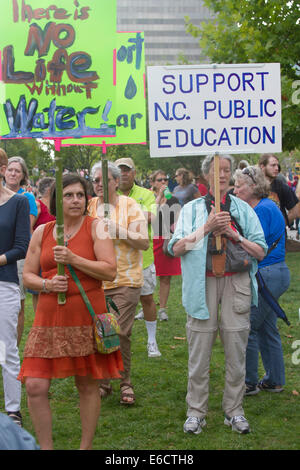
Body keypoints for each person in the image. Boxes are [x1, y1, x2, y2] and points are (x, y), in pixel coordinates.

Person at [18, 174, 122, 450]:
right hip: (49, 316)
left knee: (87, 385)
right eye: (68, 195)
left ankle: (84, 447)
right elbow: (28, 275)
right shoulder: (43, 232)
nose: (76, 200)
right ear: (57, 200)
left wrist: (73, 259)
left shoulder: (96, 227)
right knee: (35, 386)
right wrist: (47, 284)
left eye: (80, 194)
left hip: (85, 315)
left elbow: (110, 270)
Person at [168, 154, 267, 435]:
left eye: (226, 170)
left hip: (236, 283)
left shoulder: (243, 209)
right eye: (216, 170)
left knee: (237, 349)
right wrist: (207, 229)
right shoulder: (191, 210)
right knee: (199, 352)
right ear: (205, 175)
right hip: (202, 286)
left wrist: (234, 235)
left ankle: (234, 411)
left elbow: (260, 250)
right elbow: (174, 248)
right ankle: (196, 412)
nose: (222, 175)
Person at [88, 161, 149, 405]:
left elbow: (144, 242)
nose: (100, 184)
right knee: (100, 331)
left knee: (120, 332)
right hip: (96, 280)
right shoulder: (89, 206)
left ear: (115, 181)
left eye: (104, 179)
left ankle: (125, 383)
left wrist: (117, 229)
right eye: (95, 180)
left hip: (125, 279)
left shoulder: (130, 205)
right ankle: (103, 382)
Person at [234, 166, 290, 395]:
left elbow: (256, 245)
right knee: (268, 328)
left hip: (268, 274)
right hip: (274, 273)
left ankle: (248, 382)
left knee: (248, 327)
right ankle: (274, 380)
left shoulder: (262, 209)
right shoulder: (264, 206)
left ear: (254, 187)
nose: (235, 190)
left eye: (239, 186)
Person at [114, 157, 161, 358]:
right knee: (115, 302)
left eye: (127, 170)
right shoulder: (108, 194)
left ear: (134, 173)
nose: (123, 174)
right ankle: (115, 343)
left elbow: (152, 216)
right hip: (114, 259)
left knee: (147, 298)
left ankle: (152, 340)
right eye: (119, 170)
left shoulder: (146, 194)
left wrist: (119, 218)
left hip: (143, 258)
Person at [0, 148, 30, 427]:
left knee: (7, 347)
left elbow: (22, 245)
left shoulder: (18, 202)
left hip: (4, 282)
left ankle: (13, 410)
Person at [4, 156, 38, 345]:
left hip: (17, 255)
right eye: (10, 169)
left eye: (17, 170)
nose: (13, 173)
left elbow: (25, 229)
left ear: (23, 175)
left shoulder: (27, 198)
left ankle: (13, 347)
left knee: (17, 304)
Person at [151, 170, 181, 321]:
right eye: (159, 180)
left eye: (165, 179)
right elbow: (151, 216)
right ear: (153, 183)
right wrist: (158, 198)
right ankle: (147, 306)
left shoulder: (173, 199)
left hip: (165, 239)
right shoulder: (149, 197)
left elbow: (178, 218)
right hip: (151, 239)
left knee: (165, 277)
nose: (163, 182)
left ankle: (162, 308)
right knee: (148, 276)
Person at [31, 177, 56, 312]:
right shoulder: (38, 204)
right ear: (48, 189)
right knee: (38, 288)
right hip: (40, 250)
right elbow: (29, 226)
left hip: (53, 251)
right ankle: (38, 317)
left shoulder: (55, 204)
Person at [259, 153, 300, 228]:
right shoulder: (253, 185)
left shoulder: (281, 186)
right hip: (256, 235)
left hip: (277, 238)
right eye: (273, 165)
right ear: (262, 166)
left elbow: (296, 210)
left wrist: (280, 226)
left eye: (277, 165)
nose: (277, 168)